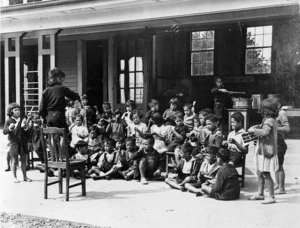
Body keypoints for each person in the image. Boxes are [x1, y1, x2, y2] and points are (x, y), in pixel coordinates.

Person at [248, 98, 279, 204]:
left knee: (265, 172)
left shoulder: (269, 120)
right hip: (264, 149)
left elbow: (265, 132)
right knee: (260, 171)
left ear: (266, 110)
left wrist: (253, 130)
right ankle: (260, 193)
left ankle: (271, 196)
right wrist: (258, 127)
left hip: (267, 150)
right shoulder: (270, 120)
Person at [3, 103, 32, 183]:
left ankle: (25, 177)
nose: (17, 111)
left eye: (18, 110)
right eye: (15, 110)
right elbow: (4, 131)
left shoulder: (23, 119)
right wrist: (9, 128)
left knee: (23, 160)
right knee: (14, 161)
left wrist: (25, 127)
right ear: (11, 111)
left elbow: (27, 132)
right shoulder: (9, 121)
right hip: (14, 143)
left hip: (23, 143)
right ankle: (14, 177)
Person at [274, 98, 290, 194]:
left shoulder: (281, 113)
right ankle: (277, 184)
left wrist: (275, 128)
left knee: (279, 165)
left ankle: (282, 188)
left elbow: (287, 128)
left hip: (280, 143)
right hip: (274, 142)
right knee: (275, 165)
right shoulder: (274, 114)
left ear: (279, 105)